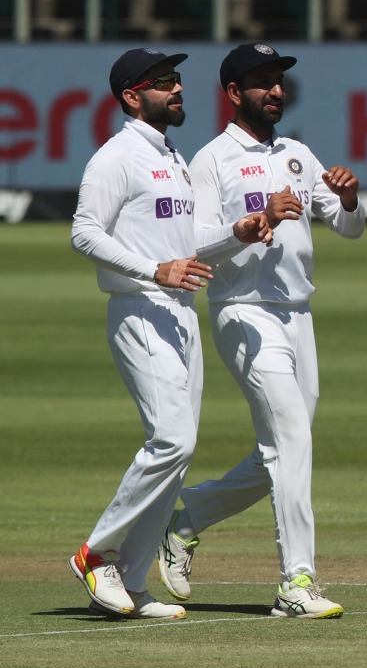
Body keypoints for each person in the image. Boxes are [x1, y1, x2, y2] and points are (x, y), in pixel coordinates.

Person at [154, 43, 365, 619]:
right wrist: (255, 224)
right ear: (232, 93)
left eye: (278, 81)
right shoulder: (211, 160)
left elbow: (348, 228)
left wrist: (348, 199)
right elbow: (193, 245)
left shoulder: (297, 152)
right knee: (292, 439)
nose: (275, 90)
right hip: (243, 309)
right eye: (262, 82)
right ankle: (296, 582)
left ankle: (187, 515)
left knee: (280, 449)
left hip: (299, 315)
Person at [69, 48, 271, 619]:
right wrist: (153, 270)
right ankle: (97, 554)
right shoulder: (117, 156)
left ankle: (132, 581)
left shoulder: (171, 156)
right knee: (172, 440)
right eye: (162, 82)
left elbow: (185, 244)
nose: (176, 88)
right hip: (139, 307)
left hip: (179, 309)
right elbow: (84, 233)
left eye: (177, 79)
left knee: (179, 453)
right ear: (132, 97)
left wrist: (237, 232)